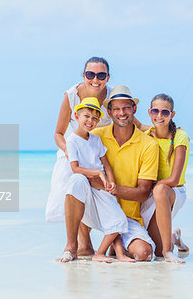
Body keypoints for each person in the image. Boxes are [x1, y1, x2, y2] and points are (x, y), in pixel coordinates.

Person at [68, 85, 159, 261]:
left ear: (134, 109)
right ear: (109, 112)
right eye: (116, 108)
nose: (121, 113)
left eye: (126, 107)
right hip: (97, 210)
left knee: (144, 254)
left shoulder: (149, 145)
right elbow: (76, 168)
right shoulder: (95, 135)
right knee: (76, 181)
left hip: (128, 217)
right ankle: (77, 245)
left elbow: (143, 194)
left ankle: (117, 245)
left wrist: (111, 187)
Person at [46, 57, 112, 256]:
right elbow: (58, 133)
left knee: (104, 187)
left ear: (107, 77)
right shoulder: (71, 95)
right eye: (90, 74)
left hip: (99, 150)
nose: (95, 79)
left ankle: (113, 239)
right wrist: (69, 151)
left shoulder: (112, 96)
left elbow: (131, 121)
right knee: (74, 181)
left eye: (101, 75)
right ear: (84, 75)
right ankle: (81, 244)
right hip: (71, 148)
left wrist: (154, 129)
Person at [59, 97, 134, 263]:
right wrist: (97, 174)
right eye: (86, 116)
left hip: (101, 188)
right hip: (86, 186)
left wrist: (111, 181)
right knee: (77, 179)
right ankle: (71, 246)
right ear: (77, 116)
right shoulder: (71, 140)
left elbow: (106, 164)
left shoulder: (96, 140)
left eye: (94, 118)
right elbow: (75, 168)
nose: (90, 121)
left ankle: (105, 253)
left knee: (118, 220)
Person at [134, 93, 190, 263]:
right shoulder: (149, 133)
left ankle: (168, 252)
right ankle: (174, 237)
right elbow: (131, 119)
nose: (159, 116)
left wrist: (151, 186)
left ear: (172, 115)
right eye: (155, 111)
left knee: (160, 189)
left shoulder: (179, 136)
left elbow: (173, 179)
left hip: (173, 191)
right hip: (155, 193)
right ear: (149, 112)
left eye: (165, 112)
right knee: (154, 249)